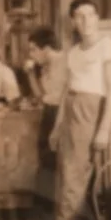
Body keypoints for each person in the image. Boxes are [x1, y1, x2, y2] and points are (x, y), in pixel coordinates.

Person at [40, 0, 111, 220]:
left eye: (90, 15)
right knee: (65, 176)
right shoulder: (74, 52)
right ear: (73, 22)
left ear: (97, 18)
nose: (86, 21)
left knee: (75, 177)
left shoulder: (109, 49)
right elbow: (68, 92)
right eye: (80, 16)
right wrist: (56, 127)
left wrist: (102, 130)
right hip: (71, 114)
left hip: (92, 112)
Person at [27, 26, 67, 171]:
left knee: (56, 159)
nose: (31, 55)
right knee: (45, 158)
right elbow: (40, 96)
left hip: (61, 114)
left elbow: (65, 97)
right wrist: (30, 74)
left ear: (47, 48)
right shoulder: (44, 66)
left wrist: (58, 126)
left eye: (33, 49)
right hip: (49, 112)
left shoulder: (64, 62)